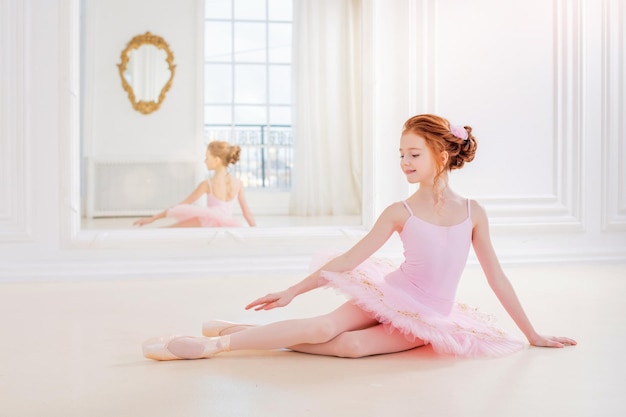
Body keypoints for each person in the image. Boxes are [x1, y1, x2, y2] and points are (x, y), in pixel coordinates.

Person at [142, 114, 576, 361]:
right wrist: (293, 290)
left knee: (349, 347)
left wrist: (532, 333)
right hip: (390, 293)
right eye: (400, 154)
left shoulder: (472, 212)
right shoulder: (399, 212)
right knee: (322, 326)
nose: (404, 162)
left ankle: (245, 329)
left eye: (413, 154)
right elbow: (349, 259)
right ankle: (217, 343)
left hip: (425, 316)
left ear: (442, 155)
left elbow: (498, 278)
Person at [133, 141, 256, 228]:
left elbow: (180, 205)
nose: (204, 161)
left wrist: (153, 219)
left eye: (207, 158)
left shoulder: (207, 184)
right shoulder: (238, 183)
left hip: (208, 222)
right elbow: (247, 213)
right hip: (229, 225)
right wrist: (257, 232)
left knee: (164, 231)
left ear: (217, 160)